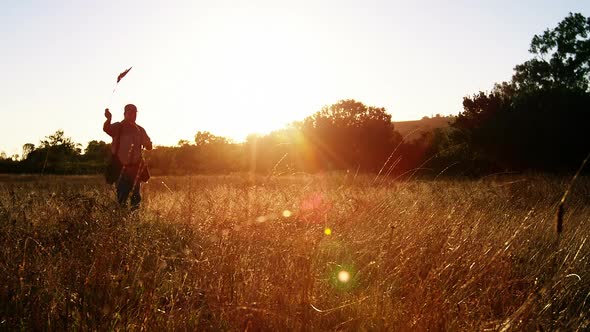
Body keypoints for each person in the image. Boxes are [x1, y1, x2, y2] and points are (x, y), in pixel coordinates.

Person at [103, 104, 153, 209]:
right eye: (130, 113)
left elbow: (149, 146)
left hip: (135, 169)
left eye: (135, 113)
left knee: (136, 198)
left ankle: (134, 220)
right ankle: (122, 220)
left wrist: (149, 144)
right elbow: (106, 129)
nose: (133, 115)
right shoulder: (117, 127)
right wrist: (108, 119)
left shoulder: (140, 130)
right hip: (120, 168)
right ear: (125, 113)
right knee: (122, 197)